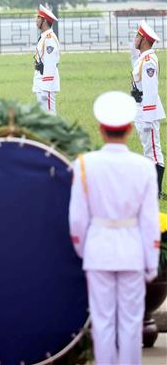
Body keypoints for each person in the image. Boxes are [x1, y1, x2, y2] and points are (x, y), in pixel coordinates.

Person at [69, 91, 160, 365]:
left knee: (102, 321)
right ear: (131, 129)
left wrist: (84, 250)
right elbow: (149, 220)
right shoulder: (144, 167)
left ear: (100, 127)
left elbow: (77, 220)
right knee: (132, 323)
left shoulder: (85, 165)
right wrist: (151, 261)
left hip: (98, 250)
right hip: (131, 251)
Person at [130, 21, 165, 197]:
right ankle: (152, 188)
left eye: (137, 36)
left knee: (153, 149)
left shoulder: (149, 60)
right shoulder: (143, 58)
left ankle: (157, 190)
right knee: (148, 149)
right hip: (141, 108)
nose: (134, 39)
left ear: (144, 40)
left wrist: (148, 118)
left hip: (147, 110)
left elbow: (151, 91)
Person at [33, 4, 60, 114]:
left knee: (50, 117)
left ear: (44, 21)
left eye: (38, 18)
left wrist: (46, 88)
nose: (36, 20)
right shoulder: (44, 37)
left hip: (46, 85)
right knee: (43, 117)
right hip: (41, 81)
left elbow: (50, 63)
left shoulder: (49, 39)